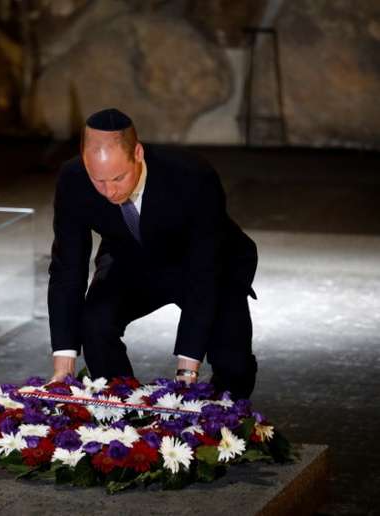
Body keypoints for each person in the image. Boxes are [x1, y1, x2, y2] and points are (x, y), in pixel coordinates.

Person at [47, 108, 259, 399]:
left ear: (137, 153)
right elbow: (66, 267)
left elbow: (204, 270)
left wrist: (187, 370)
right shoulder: (72, 179)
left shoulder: (192, 175)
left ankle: (222, 420)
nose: (109, 192)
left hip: (209, 263)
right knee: (95, 322)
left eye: (118, 178)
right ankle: (123, 409)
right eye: (98, 180)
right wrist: (64, 362)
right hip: (132, 259)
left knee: (233, 363)